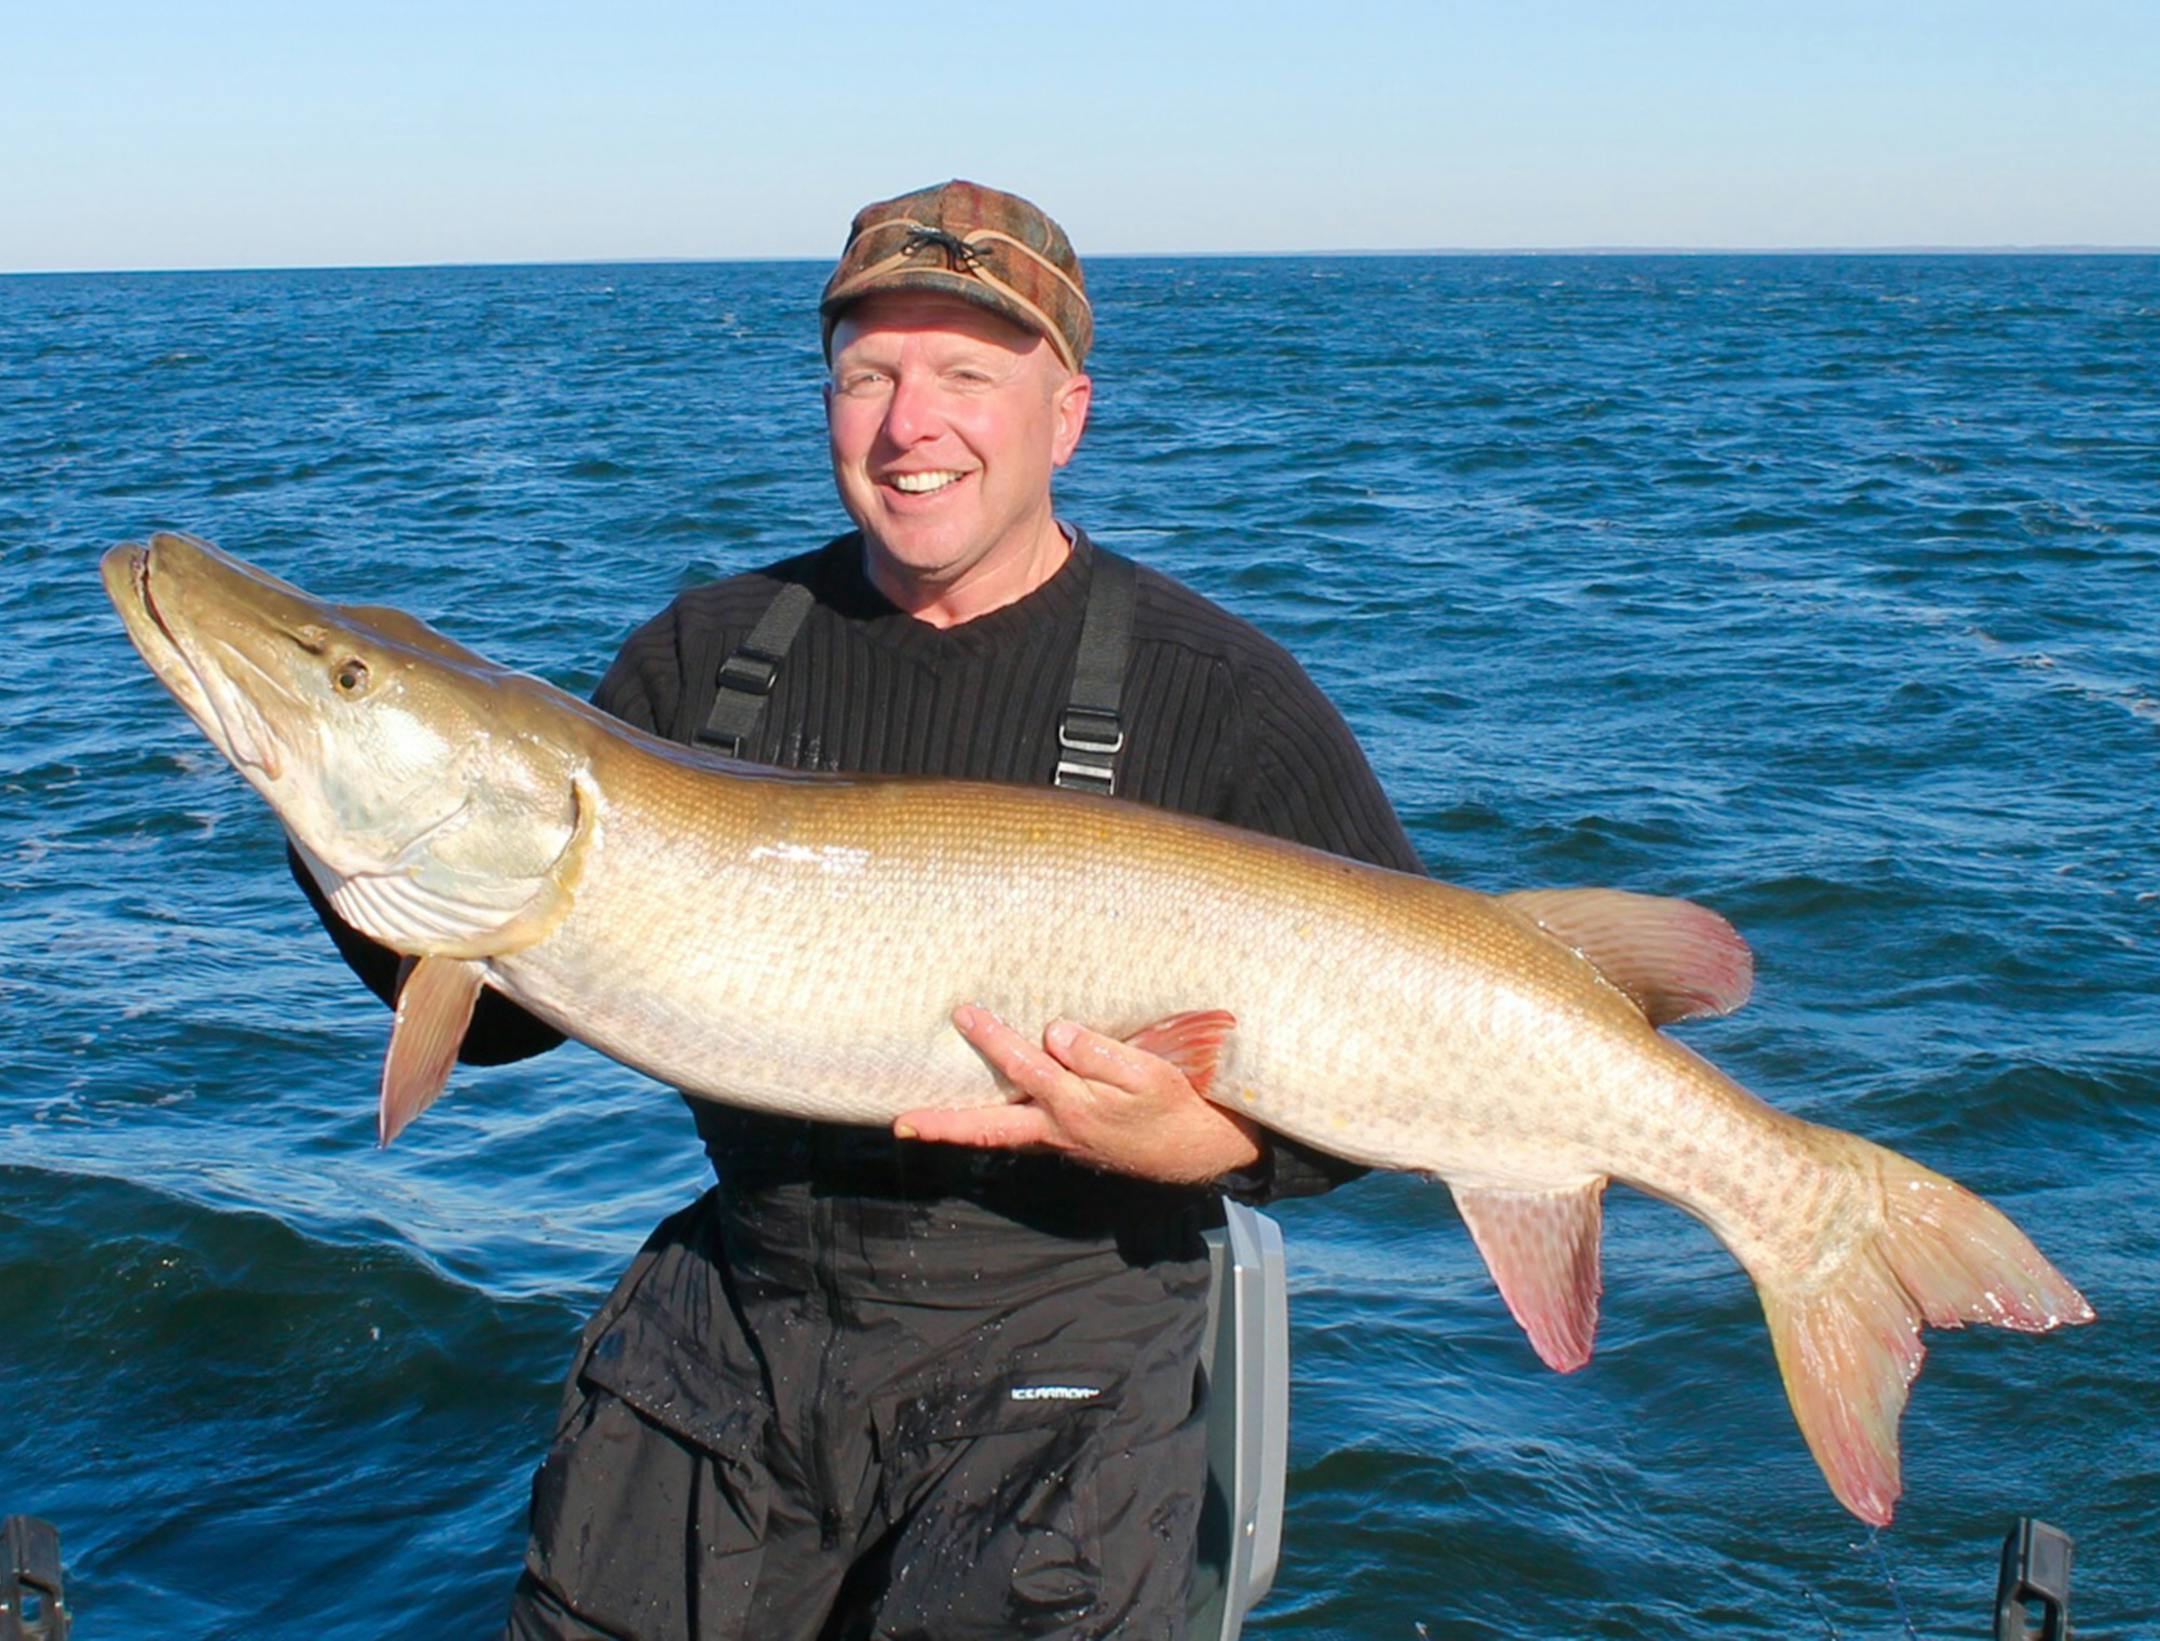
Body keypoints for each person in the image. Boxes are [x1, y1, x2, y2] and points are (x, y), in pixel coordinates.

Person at [299, 180, 1424, 1640]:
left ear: (1065, 413)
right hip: (735, 1335)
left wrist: (1203, 1140)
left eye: (967, 373)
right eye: (869, 374)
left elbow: (1405, 1063)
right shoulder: (710, 652)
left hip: (1063, 1369)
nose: (912, 423)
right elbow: (506, 1012)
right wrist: (345, 817)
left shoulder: (1220, 697)